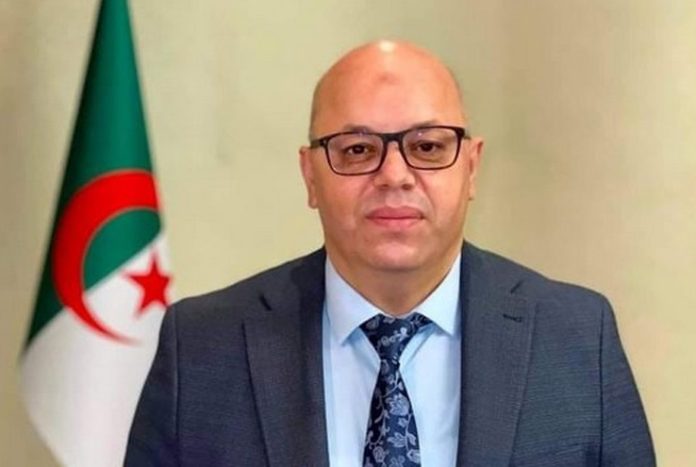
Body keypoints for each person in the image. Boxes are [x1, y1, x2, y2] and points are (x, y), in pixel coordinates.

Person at [125, 40, 655, 466]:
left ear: (471, 167)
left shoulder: (576, 336)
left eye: (428, 147)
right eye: (358, 150)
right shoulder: (203, 347)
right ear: (310, 176)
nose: (395, 176)